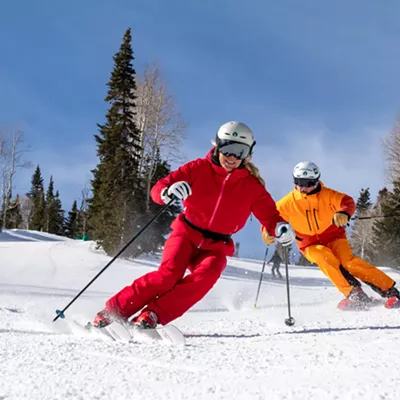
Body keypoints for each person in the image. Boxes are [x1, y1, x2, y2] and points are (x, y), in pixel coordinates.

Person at [93, 121, 296, 329]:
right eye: (228, 148)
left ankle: (152, 315)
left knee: (206, 276)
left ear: (248, 153)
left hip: (217, 245)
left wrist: (280, 229)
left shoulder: (252, 187)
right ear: (217, 145)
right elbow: (159, 188)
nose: (232, 157)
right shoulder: (197, 168)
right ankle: (113, 312)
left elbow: (271, 218)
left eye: (240, 151)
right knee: (167, 276)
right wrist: (168, 192)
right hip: (186, 234)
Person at [261, 161, 400, 310]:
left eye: (309, 183)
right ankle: (355, 295)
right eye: (300, 182)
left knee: (348, 263)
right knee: (324, 257)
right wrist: (267, 233)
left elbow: (347, 202)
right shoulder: (288, 203)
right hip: (308, 244)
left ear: (316, 180)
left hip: (334, 237)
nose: (304, 187)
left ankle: (390, 291)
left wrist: (343, 212)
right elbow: (270, 219)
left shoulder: (328, 195)